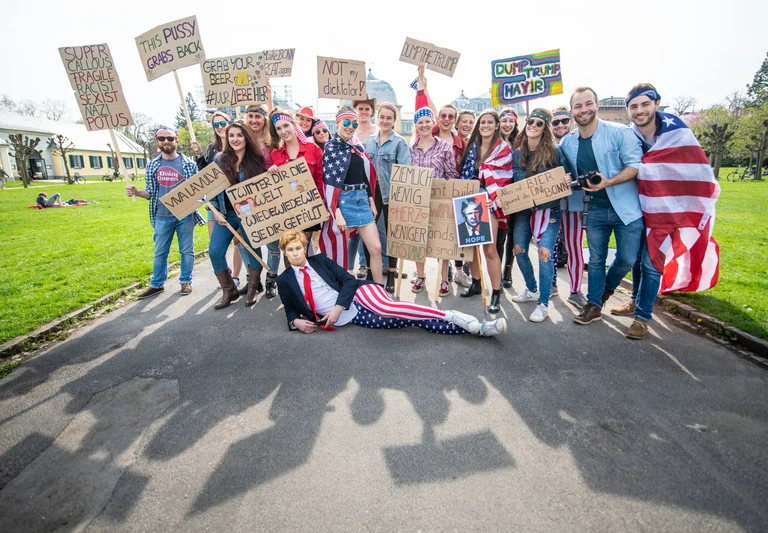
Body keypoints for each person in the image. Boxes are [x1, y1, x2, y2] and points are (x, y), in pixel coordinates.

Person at [612, 83, 720, 339]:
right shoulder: (630, 137)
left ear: (656, 104)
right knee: (637, 260)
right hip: (639, 210)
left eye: (644, 105)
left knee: (652, 264)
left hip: (667, 211)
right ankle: (636, 301)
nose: (639, 111)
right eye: (633, 106)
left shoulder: (678, 133)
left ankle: (642, 318)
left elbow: (694, 170)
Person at [275, 231, 507, 337]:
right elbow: (289, 310)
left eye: (299, 248)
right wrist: (296, 322)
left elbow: (348, 280)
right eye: (290, 249)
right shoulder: (285, 280)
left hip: (359, 295)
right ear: (284, 252)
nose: (296, 253)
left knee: (387, 308)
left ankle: (449, 315)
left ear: (305, 248)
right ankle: (481, 329)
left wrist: (337, 307)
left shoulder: (320, 260)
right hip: (353, 317)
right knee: (407, 320)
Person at [560, 87, 644, 325]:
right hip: (595, 208)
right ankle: (594, 305)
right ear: (572, 110)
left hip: (626, 208)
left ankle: (604, 292)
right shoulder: (568, 142)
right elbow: (569, 174)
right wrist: (568, 179)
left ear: (597, 105)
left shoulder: (620, 133)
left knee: (627, 258)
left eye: (588, 104)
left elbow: (635, 166)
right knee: (596, 260)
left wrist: (609, 181)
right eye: (578, 106)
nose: (583, 109)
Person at [510, 109, 574, 323]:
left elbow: (569, 177)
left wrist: (567, 179)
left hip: (549, 211)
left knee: (545, 253)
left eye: (539, 123)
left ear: (545, 128)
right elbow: (509, 183)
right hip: (523, 211)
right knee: (518, 250)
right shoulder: (517, 154)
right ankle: (531, 289)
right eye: (531, 121)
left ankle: (543, 303)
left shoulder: (555, 153)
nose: (533, 125)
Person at [126, 127, 204, 298]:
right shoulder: (153, 164)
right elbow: (150, 192)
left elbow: (199, 191)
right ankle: (157, 284)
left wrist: (199, 200)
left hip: (185, 216)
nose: (166, 142)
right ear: (157, 142)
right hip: (162, 216)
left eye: (170, 138)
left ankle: (185, 281)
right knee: (160, 252)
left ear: (177, 141)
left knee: (186, 251)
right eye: (162, 139)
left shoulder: (189, 165)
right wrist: (136, 192)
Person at [319, 106, 384, 285]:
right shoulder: (331, 147)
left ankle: (380, 291)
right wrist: (337, 211)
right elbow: (329, 182)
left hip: (362, 200)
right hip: (343, 202)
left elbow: (364, 174)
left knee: (376, 248)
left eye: (354, 123)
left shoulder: (357, 146)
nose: (350, 126)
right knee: (340, 251)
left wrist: (371, 201)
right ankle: (339, 290)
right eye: (346, 122)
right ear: (337, 123)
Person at [207, 121, 268, 309]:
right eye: (231, 135)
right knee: (215, 251)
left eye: (239, 135)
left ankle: (252, 289)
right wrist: (215, 211)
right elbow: (211, 188)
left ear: (246, 138)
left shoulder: (256, 159)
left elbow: (263, 187)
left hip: (249, 215)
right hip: (225, 215)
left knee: (253, 250)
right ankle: (229, 290)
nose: (235, 139)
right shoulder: (219, 159)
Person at [457, 110, 512, 314]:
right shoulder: (472, 147)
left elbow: (506, 178)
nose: (485, 125)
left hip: (490, 202)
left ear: (497, 125)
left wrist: (493, 199)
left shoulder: (503, 149)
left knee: (490, 249)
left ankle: (496, 293)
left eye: (490, 122)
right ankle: (476, 283)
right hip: (471, 199)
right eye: (483, 122)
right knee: (471, 246)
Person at [268, 108, 325, 298]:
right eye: (278, 128)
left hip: (308, 208)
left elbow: (319, 180)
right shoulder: (275, 155)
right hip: (286, 211)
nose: (284, 131)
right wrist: (272, 173)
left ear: (294, 125)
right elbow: (273, 188)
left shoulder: (313, 149)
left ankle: (308, 291)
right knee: (289, 250)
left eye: (286, 125)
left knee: (301, 249)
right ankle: (295, 293)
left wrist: (320, 205)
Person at [190, 111, 247, 292]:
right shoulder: (213, 150)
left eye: (223, 124)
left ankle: (238, 277)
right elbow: (207, 177)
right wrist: (199, 155)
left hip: (242, 208)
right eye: (216, 125)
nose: (220, 127)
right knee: (216, 247)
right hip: (217, 204)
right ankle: (228, 285)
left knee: (240, 243)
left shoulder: (249, 153)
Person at [409, 104, 459, 296]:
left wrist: (444, 188)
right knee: (417, 239)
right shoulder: (410, 147)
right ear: (416, 125)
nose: (424, 125)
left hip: (439, 200)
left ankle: (444, 279)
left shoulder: (444, 146)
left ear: (433, 123)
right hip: (417, 201)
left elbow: (452, 173)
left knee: (441, 240)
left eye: (427, 121)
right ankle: (420, 276)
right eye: (420, 122)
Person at [364, 102, 412, 293]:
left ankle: (392, 271)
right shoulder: (368, 141)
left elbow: (406, 170)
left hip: (393, 194)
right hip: (371, 195)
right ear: (377, 117)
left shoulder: (399, 142)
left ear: (394, 120)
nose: (385, 121)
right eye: (382, 117)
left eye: (389, 118)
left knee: (393, 235)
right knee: (368, 233)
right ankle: (369, 271)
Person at [552, 105, 587, 309]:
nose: (561, 125)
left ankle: (575, 290)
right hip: (551, 204)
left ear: (571, 121)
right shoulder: (546, 144)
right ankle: (551, 284)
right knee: (549, 246)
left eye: (565, 120)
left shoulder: (578, 143)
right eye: (556, 122)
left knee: (574, 247)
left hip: (573, 202)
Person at [498, 107, 520, 289]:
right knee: (500, 236)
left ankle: (508, 270)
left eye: (510, 121)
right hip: (499, 195)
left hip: (517, 195)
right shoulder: (495, 143)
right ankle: (496, 271)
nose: (507, 125)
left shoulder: (520, 142)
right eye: (504, 121)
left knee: (512, 236)